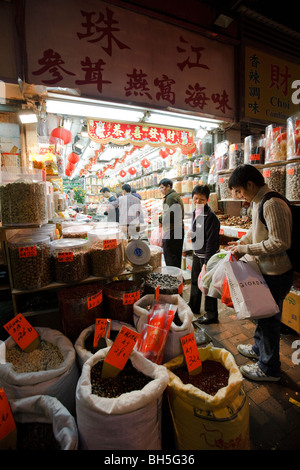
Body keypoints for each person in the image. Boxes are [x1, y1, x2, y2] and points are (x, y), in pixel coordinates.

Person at [228, 164, 293, 382]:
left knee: (269, 321)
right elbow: (255, 233)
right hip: (265, 270)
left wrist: (245, 249)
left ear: (250, 184)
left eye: (239, 191)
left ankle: (269, 368)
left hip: (277, 273)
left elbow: (280, 242)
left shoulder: (272, 203)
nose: (239, 196)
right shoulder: (258, 203)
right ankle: (259, 349)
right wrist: (240, 243)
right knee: (263, 315)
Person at [188, 184, 220, 324]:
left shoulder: (211, 217)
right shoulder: (195, 212)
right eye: (195, 199)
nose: (197, 202)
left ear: (207, 200)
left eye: (201, 200)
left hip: (207, 257)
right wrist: (193, 234)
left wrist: (207, 263)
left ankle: (211, 314)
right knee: (195, 282)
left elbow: (212, 243)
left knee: (207, 285)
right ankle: (193, 306)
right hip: (197, 254)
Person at [159, 178, 184, 268]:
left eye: (162, 188)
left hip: (172, 230)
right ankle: (178, 277)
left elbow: (168, 215)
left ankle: (174, 278)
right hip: (177, 229)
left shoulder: (170, 197)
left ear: (168, 186)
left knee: (170, 255)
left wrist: (160, 219)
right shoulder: (174, 195)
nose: (161, 190)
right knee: (176, 255)